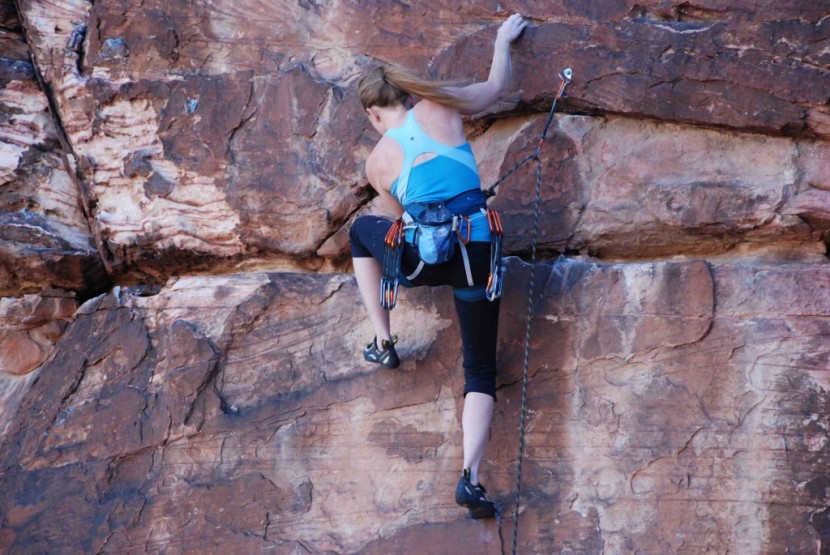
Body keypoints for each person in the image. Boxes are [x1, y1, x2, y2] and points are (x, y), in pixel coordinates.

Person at [349, 13, 528, 519]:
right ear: (405, 95)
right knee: (481, 370)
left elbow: (395, 223)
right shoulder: (440, 106)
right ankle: (470, 477)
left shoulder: (378, 160)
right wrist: (501, 40)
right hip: (477, 255)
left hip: (424, 261)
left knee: (360, 233)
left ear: (372, 113)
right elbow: (495, 85)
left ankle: (383, 341)